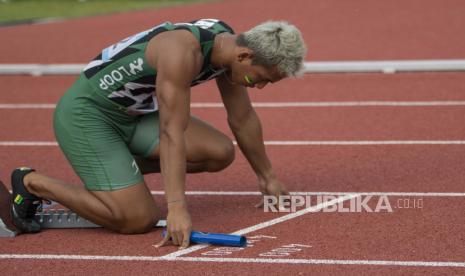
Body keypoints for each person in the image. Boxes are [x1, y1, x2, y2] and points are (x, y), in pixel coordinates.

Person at [10, 18, 307, 249]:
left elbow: (242, 117)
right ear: (245, 55)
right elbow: (171, 132)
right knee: (137, 218)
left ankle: (113, 172)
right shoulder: (182, 52)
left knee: (220, 152)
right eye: (261, 79)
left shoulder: (227, 44)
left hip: (134, 115)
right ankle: (33, 183)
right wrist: (177, 208)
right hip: (87, 116)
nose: (260, 87)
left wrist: (267, 176)